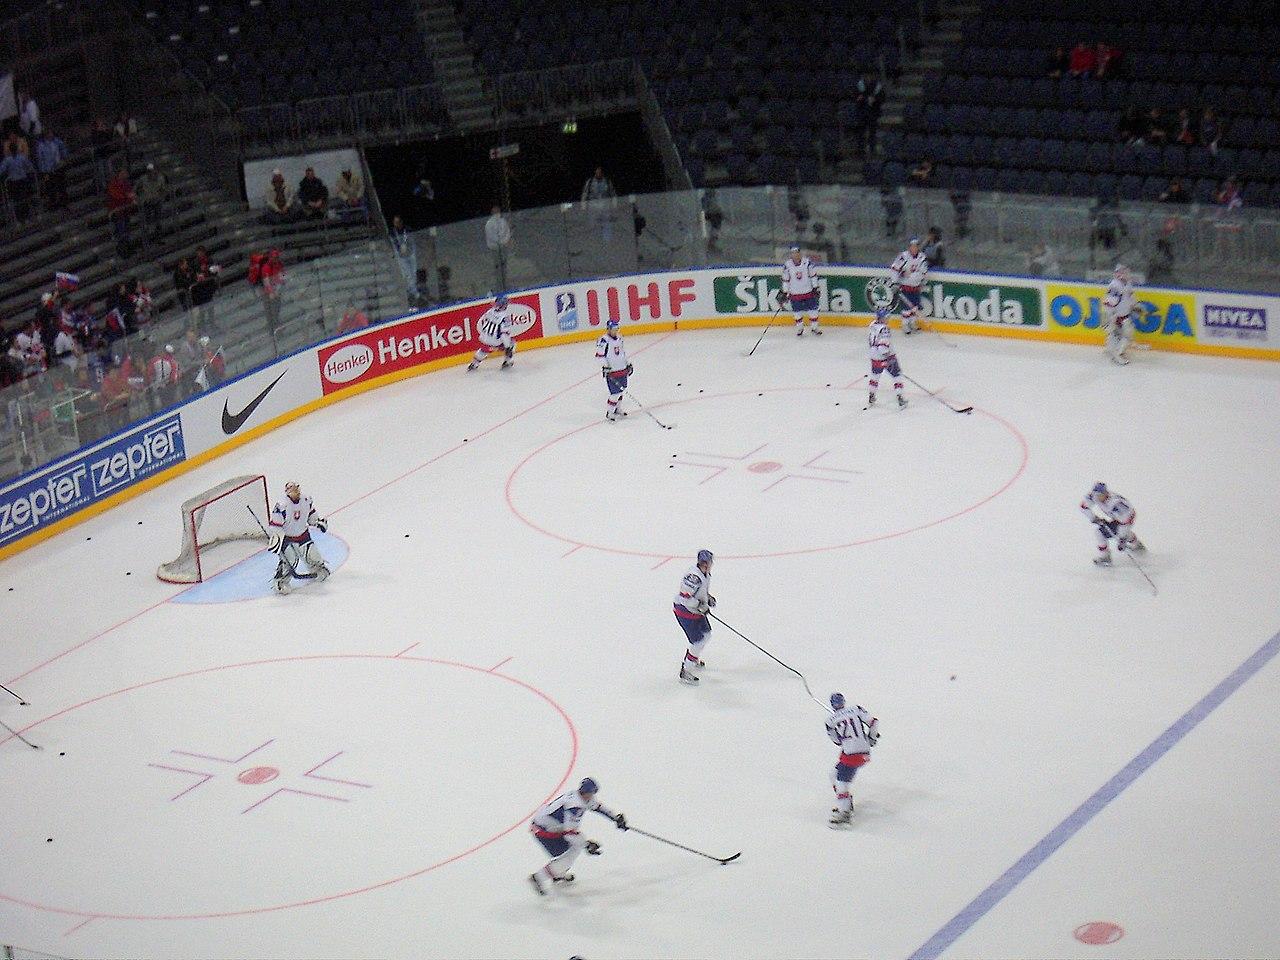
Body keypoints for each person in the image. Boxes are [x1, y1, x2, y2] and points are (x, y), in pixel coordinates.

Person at [528, 778, 626, 895]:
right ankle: (539, 877)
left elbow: (597, 807)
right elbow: (570, 833)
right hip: (544, 831)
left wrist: (615, 818)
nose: (592, 796)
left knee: (574, 846)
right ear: (587, 792)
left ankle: (558, 874)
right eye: (592, 793)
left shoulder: (580, 797)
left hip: (548, 827)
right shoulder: (574, 807)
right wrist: (587, 844)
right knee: (572, 850)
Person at [267, 480, 331, 594]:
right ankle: (280, 581)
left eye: (297, 489)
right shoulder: (282, 506)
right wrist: (277, 541)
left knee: (312, 554)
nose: (296, 492)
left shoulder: (306, 500)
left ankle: (318, 569)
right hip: (287, 538)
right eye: (292, 490)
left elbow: (311, 516)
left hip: (303, 535)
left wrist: (318, 522)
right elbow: (275, 526)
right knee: (290, 560)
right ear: (287, 493)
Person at [825, 692, 879, 825]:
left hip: (851, 754)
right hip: (863, 752)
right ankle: (846, 803)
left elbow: (837, 740)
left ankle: (844, 813)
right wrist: (871, 737)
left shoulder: (830, 721)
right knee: (834, 774)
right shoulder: (856, 709)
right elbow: (873, 722)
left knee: (841, 783)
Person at [675, 549, 716, 685]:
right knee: (697, 641)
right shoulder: (693, 577)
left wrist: (707, 599)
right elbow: (684, 598)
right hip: (685, 612)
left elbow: (701, 591)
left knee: (707, 634)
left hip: (696, 612)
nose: (709, 564)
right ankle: (686, 670)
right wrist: (699, 605)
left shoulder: (706, 574)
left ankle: (693, 657)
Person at [1080, 482, 1144, 566]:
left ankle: (1106, 556)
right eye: (1095, 494)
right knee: (1103, 532)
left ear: (1105, 493)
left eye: (1100, 495)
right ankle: (1137, 546)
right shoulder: (1094, 496)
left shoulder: (1116, 504)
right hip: (1118, 518)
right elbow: (1083, 507)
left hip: (1127, 517)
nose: (1097, 497)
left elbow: (1125, 521)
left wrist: (1122, 538)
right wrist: (1094, 518)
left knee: (1101, 533)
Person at [866, 306, 907, 410]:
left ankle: (871, 396)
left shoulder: (872, 325)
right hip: (885, 356)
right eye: (887, 317)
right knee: (896, 375)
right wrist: (888, 356)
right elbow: (883, 346)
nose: (888, 318)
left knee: (875, 376)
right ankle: (900, 398)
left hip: (873, 356)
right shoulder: (884, 329)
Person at [889, 236, 928, 334]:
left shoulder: (922, 257)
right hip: (905, 286)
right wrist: (895, 282)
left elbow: (923, 271)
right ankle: (905, 324)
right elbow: (894, 268)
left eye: (916, 246)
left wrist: (922, 281)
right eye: (912, 246)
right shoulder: (904, 256)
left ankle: (913, 323)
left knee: (915, 306)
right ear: (909, 247)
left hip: (916, 287)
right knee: (906, 307)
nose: (914, 248)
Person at [467, 293, 516, 370]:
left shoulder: (490, 311)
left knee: (483, 350)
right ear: (504, 305)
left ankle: (474, 364)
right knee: (512, 343)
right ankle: (507, 361)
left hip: (485, 337)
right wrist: (508, 348)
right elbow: (504, 334)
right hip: (495, 340)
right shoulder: (504, 318)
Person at [595, 318, 632, 421]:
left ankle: (617, 409)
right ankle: (610, 412)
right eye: (613, 329)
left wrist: (628, 364)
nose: (615, 331)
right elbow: (599, 356)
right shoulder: (603, 340)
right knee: (614, 393)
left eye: (617, 328)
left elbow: (622, 353)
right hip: (612, 372)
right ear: (608, 329)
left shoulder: (620, 338)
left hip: (622, 369)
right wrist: (605, 367)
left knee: (621, 390)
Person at [781, 245, 821, 336]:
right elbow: (786, 280)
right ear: (791, 254)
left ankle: (814, 327)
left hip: (808, 291)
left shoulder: (807, 262)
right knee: (797, 311)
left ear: (800, 253)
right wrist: (785, 292)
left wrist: (815, 287)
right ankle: (800, 328)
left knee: (813, 310)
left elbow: (813, 275)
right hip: (795, 293)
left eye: (797, 253)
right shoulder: (787, 265)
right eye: (793, 253)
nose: (795, 255)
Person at [1102, 263, 1135, 366]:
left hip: (1124, 314)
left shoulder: (1128, 283)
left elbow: (1129, 297)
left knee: (1116, 334)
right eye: (1123, 272)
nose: (1127, 274)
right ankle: (1117, 354)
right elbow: (1110, 302)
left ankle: (1110, 349)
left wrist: (1134, 305)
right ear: (1118, 274)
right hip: (1116, 315)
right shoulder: (1115, 285)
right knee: (1125, 334)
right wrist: (1110, 316)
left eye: (1126, 272)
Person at [0, 142, 37, 223]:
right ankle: (20, 219)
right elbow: (2, 169)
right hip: (14, 182)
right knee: (17, 201)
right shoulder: (7, 160)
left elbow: (29, 166)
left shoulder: (21, 157)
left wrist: (28, 171)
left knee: (25, 199)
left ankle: (27, 217)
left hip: (22, 180)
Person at [34, 128, 69, 210]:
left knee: (62, 186)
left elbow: (63, 150)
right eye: (49, 133)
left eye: (51, 133)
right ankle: (53, 205)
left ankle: (64, 203)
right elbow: (40, 159)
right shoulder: (41, 146)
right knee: (51, 188)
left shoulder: (57, 141)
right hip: (48, 170)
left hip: (59, 167)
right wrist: (43, 172)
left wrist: (64, 159)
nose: (51, 135)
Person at [105, 167, 136, 258]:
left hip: (126, 211)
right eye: (124, 172)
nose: (126, 174)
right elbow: (117, 196)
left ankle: (128, 249)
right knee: (121, 232)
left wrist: (131, 197)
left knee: (127, 231)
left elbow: (131, 193)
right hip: (117, 212)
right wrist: (128, 196)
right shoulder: (113, 184)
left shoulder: (126, 183)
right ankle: (122, 251)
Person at [135, 162, 168, 244]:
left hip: (157, 202)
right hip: (147, 203)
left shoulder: (161, 178)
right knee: (146, 222)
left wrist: (160, 197)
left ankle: (158, 239)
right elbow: (136, 189)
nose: (153, 173)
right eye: (151, 171)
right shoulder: (142, 179)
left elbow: (163, 189)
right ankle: (147, 240)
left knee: (158, 222)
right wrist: (142, 197)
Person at [581, 166, 616, 242]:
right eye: (597, 172)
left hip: (605, 206)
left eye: (600, 172)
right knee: (593, 223)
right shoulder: (590, 182)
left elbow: (612, 193)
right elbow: (585, 194)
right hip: (593, 206)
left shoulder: (606, 181)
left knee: (606, 222)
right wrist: (583, 206)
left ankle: (607, 239)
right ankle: (593, 239)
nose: (598, 174)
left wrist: (614, 204)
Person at [390, 214, 419, 303]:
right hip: (401, 256)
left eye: (398, 222)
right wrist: (398, 251)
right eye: (395, 222)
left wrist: (409, 248)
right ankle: (412, 292)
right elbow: (394, 243)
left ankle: (411, 289)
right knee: (407, 274)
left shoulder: (407, 229)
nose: (397, 224)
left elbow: (412, 240)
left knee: (413, 272)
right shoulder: (392, 232)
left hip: (410, 254)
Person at [484, 204, 512, 290]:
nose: (497, 213)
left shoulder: (503, 221)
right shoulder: (489, 224)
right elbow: (490, 235)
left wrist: (504, 242)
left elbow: (507, 232)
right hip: (495, 248)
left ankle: (504, 283)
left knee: (504, 265)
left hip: (503, 247)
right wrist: (499, 242)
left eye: (498, 211)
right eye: (495, 212)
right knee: (497, 266)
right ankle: (498, 284)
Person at [147, 343, 181, 410]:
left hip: (158, 388)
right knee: (171, 404)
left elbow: (149, 374)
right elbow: (174, 378)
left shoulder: (154, 360)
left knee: (162, 406)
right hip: (169, 387)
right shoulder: (173, 363)